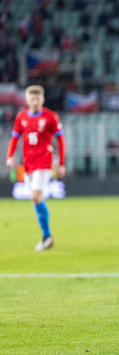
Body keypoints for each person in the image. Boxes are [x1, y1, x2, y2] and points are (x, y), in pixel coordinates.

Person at [6, 85, 66, 251]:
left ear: (43, 99)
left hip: (44, 163)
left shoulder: (50, 117)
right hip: (28, 164)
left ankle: (46, 236)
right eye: (32, 98)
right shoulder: (21, 117)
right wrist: (9, 155)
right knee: (36, 200)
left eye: (37, 98)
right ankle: (48, 236)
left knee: (34, 196)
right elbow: (14, 138)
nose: (35, 101)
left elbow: (60, 140)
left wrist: (61, 163)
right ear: (26, 100)